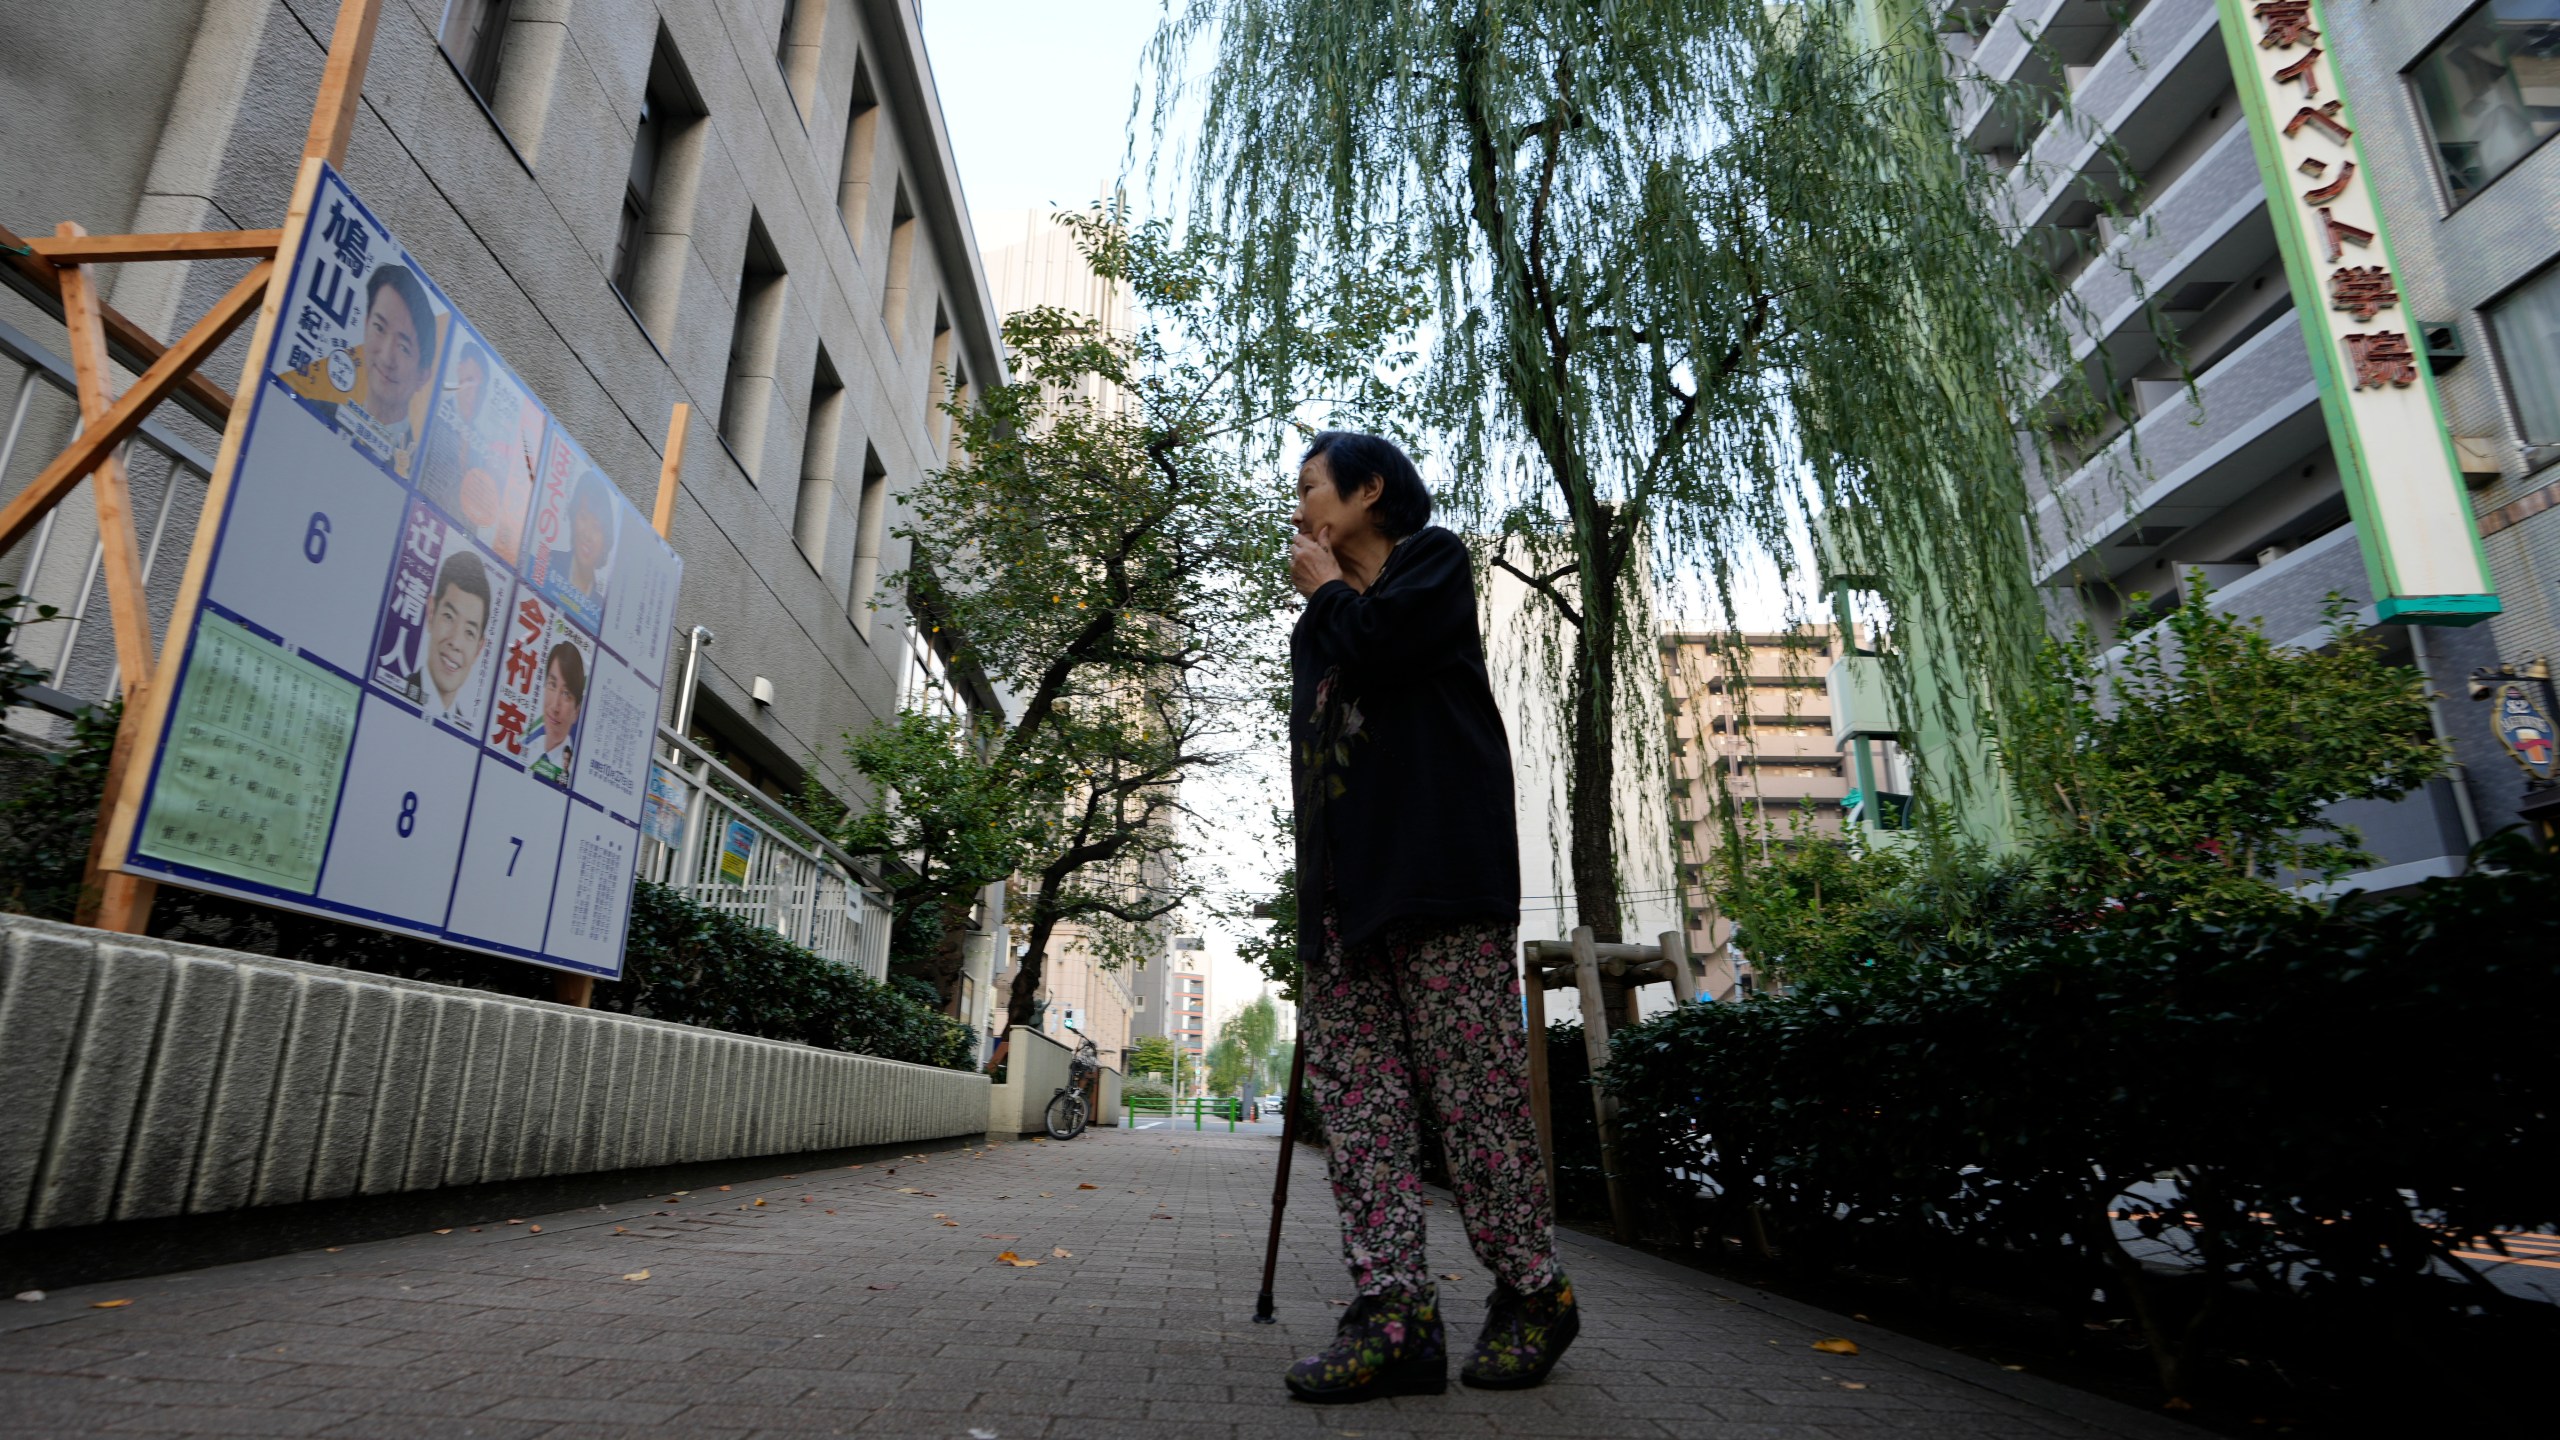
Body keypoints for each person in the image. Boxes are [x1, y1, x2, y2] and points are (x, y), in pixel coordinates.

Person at [1281, 431, 1575, 1403]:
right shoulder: (1316, 625)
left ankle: (1533, 1292)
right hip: (1342, 906)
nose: (1298, 511)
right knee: (1362, 1116)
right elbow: (1315, 767)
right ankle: (1395, 1315)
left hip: (1442, 883)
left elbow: (1383, 646)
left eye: (1312, 489)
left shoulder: (1434, 564)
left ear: (1369, 491)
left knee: (1474, 1105)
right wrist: (1309, 910)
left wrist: (1326, 590)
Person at [281, 261, 434, 468]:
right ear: (365, 326)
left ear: (422, 376)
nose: (386, 356)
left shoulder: (416, 470)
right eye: (379, 328)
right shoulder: (314, 411)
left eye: (404, 347)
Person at [410, 551, 492, 729]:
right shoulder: (399, 690)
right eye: (449, 617)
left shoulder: (466, 727)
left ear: (479, 648)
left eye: (469, 632)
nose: (455, 642)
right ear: (431, 612)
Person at [525, 641, 585, 783]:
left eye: (566, 693)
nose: (554, 706)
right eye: (552, 685)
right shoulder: (528, 747)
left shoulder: (572, 774)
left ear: (576, 711)